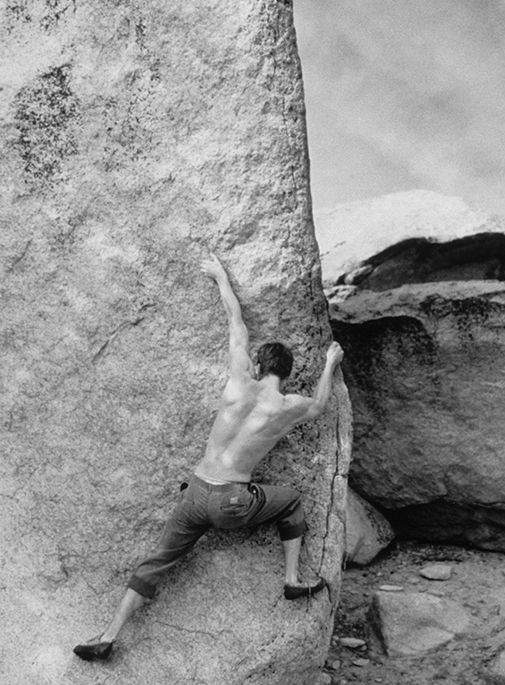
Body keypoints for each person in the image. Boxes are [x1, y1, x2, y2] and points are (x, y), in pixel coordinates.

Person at [73, 251, 344, 662]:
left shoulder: (238, 381)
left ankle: (109, 634)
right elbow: (321, 406)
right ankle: (291, 578)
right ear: (285, 374)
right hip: (233, 502)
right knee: (290, 499)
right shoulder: (287, 404)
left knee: (156, 562)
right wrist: (329, 363)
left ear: (257, 363)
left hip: (196, 493)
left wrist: (220, 276)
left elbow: (236, 323)